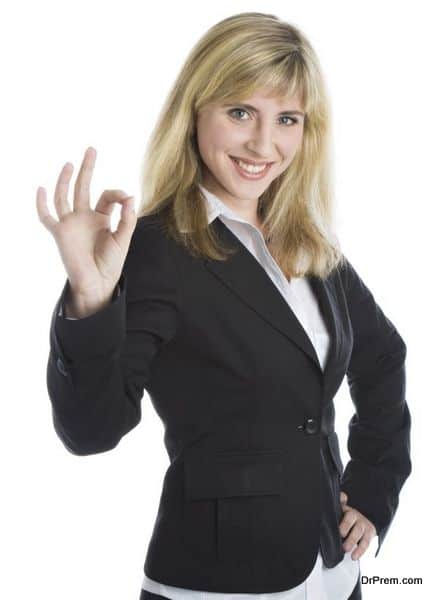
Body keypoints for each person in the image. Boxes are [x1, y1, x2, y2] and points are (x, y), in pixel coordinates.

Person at [36, 12, 411, 600]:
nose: (265, 144)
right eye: (241, 113)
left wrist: (373, 488)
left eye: (286, 119)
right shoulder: (157, 246)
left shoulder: (307, 241)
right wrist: (91, 297)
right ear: (196, 111)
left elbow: (383, 357)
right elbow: (92, 431)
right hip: (217, 581)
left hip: (332, 574)